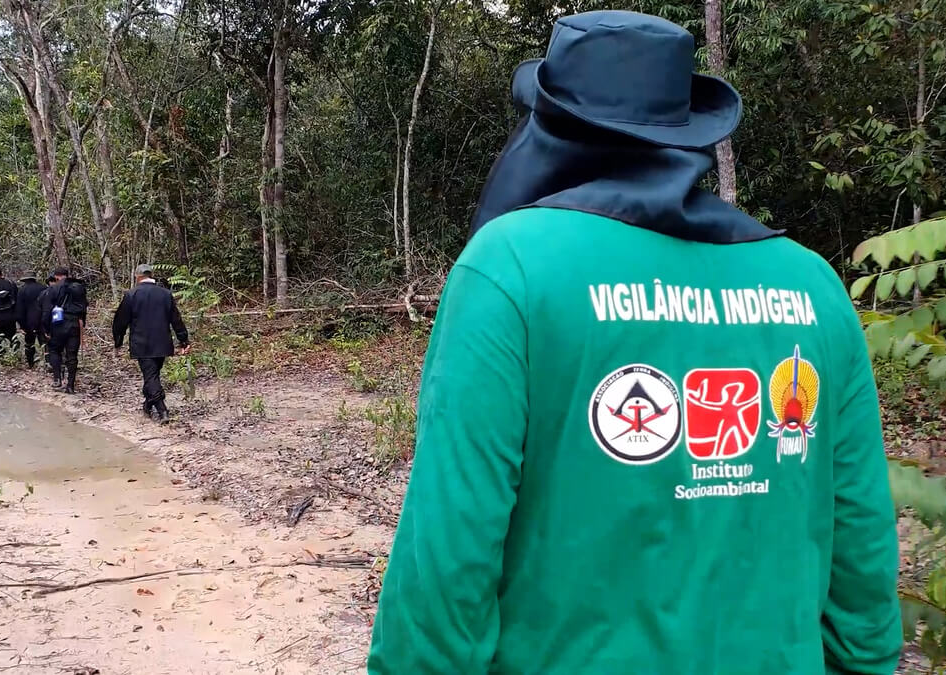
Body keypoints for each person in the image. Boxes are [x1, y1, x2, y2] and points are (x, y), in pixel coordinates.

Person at [368, 11, 900, 675]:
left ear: (550, 127)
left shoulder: (510, 271)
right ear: (686, 133)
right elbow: (863, 565)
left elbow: (446, 565)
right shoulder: (813, 287)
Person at [112, 264, 191, 422]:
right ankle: (148, 405)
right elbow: (176, 319)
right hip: (162, 342)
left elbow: (120, 321)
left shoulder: (131, 295)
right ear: (151, 275)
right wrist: (183, 340)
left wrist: (118, 341)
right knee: (152, 375)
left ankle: (162, 411)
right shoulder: (165, 294)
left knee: (151, 376)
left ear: (137, 276)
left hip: (141, 343)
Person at [42, 267, 88, 394]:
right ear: (67, 275)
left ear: (56, 276)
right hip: (75, 323)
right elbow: (84, 307)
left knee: (54, 350)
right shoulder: (79, 287)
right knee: (72, 355)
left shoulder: (53, 288)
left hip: (58, 323)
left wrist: (46, 329)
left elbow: (47, 311)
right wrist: (82, 323)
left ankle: (57, 379)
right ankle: (70, 385)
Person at [16, 272, 48, 368]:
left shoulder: (22, 290)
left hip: (28, 321)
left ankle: (30, 362)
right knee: (45, 342)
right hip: (42, 319)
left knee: (29, 342)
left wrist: (22, 325)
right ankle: (48, 361)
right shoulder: (44, 288)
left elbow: (20, 309)